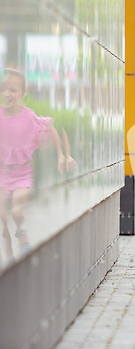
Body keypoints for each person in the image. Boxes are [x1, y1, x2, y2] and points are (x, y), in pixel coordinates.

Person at [0, 69, 69, 264]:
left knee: (16, 212)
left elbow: (50, 128)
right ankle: (9, 255)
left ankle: (21, 234)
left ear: (23, 93)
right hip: (2, 174)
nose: (7, 94)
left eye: (13, 90)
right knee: (2, 215)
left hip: (22, 174)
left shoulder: (28, 117)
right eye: (4, 89)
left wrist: (61, 155)